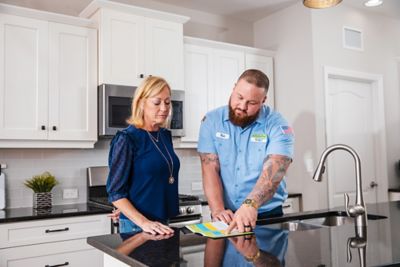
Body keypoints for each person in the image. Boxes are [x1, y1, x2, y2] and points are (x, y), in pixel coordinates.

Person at [197, 69, 294, 233]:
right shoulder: (211, 121)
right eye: (239, 97)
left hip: (266, 215)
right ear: (234, 88)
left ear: (263, 100)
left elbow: (275, 172)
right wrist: (217, 210)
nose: (242, 106)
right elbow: (209, 168)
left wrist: (251, 204)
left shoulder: (278, 125)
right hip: (226, 216)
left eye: (252, 103)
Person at [106, 76, 180, 235]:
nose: (164, 108)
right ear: (141, 103)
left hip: (164, 222)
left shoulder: (165, 136)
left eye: (167, 102)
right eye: (157, 102)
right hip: (140, 226)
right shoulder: (127, 139)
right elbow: (116, 193)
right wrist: (142, 221)